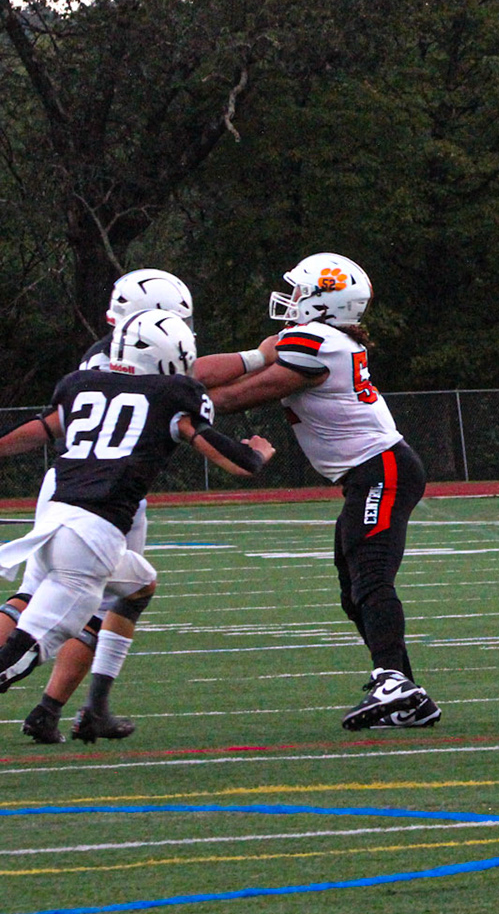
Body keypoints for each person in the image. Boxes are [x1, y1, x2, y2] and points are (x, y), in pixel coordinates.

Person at [0, 268, 267, 742]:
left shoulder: (82, 379)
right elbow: (235, 460)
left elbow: (43, 428)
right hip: (93, 534)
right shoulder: (173, 394)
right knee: (24, 650)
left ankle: (82, 708)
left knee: (139, 582)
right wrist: (258, 452)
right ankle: (56, 707)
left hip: (59, 510)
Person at [208, 253, 438, 730]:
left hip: (380, 468)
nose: (290, 298)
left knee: (370, 577)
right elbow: (233, 375)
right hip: (372, 471)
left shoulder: (317, 341)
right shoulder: (321, 339)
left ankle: (394, 682)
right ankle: (407, 694)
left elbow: (239, 394)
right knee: (354, 592)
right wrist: (170, 385)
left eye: (299, 290)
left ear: (323, 300)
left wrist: (178, 406)